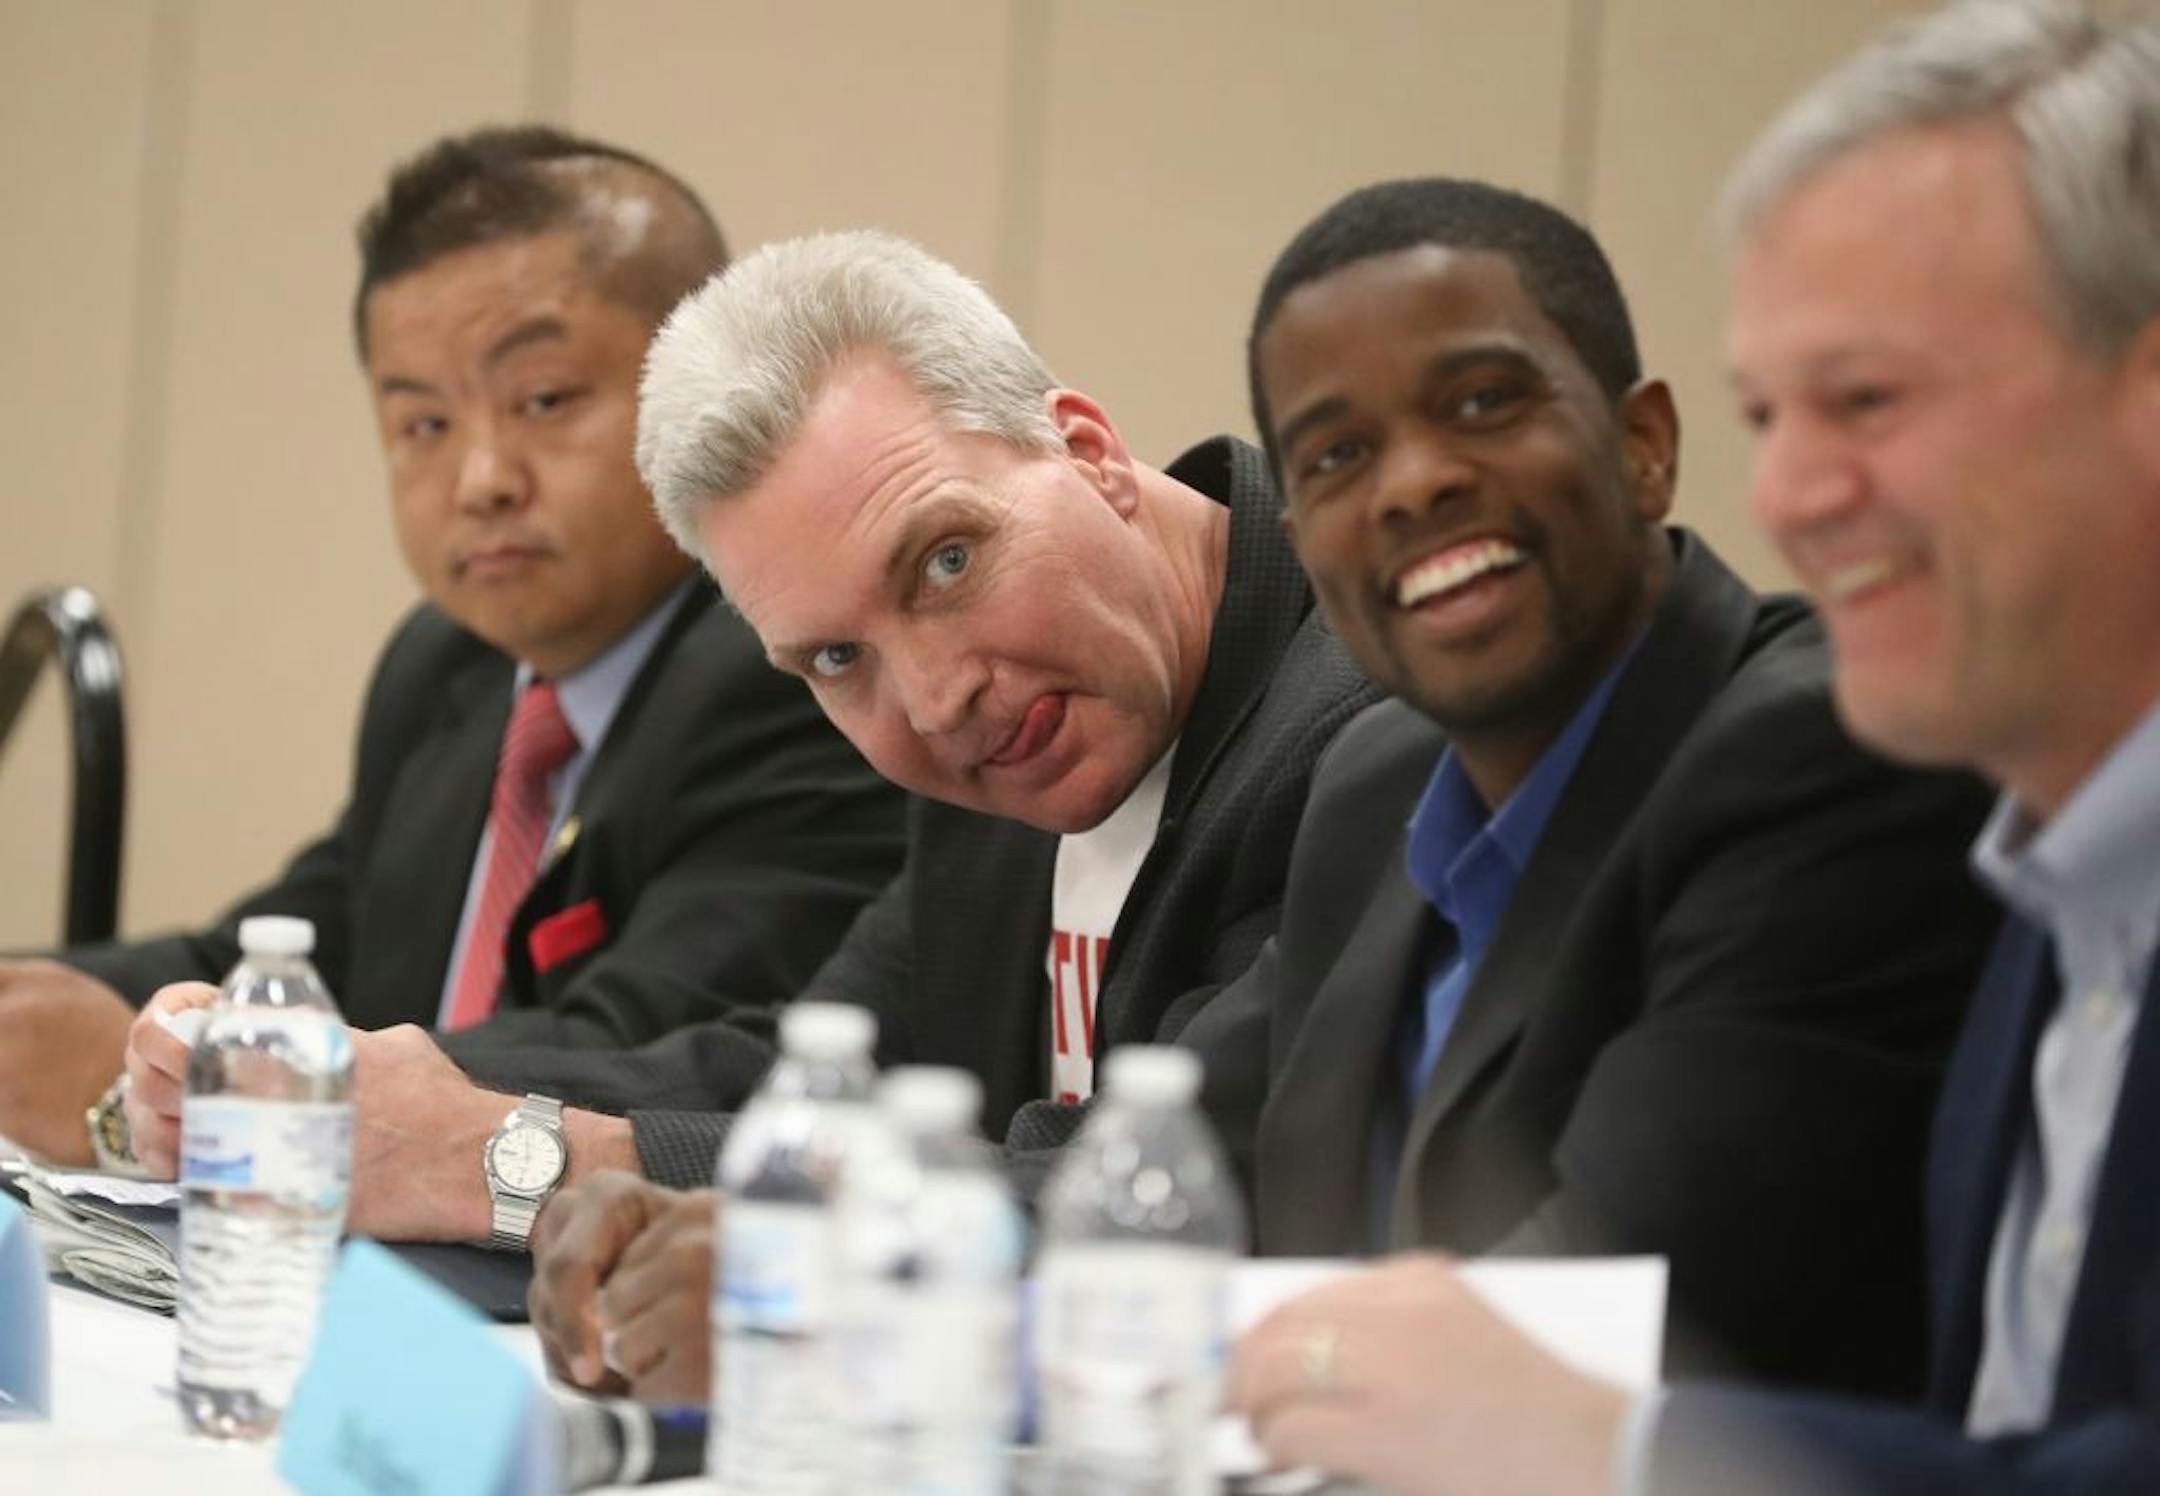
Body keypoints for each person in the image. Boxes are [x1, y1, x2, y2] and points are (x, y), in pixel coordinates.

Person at [1229, 1, 2160, 1491]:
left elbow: (1616, 1311)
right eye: (1772, 415)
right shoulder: (2063, 878)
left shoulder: (1842, 756)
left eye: (1869, 398)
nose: (1791, 492)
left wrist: (1613, 1443)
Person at [126, 233, 1377, 1331]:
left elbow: (1159, 1197)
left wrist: (505, 1160)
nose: (933, 699)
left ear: (1089, 451)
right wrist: (367, 1099)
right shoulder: (1015, 726)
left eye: (946, 561)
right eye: (836, 658)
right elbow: (793, 1081)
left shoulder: (1375, 729)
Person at [1199, 176, 1999, 1400]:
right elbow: (1172, 1152)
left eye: (1482, 401)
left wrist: (1232, 1365)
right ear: (1302, 539)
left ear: (1644, 445)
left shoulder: (1825, 750)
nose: (1412, 483)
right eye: (1338, 455)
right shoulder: (1373, 777)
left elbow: (1612, 1307)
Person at [0, 127, 905, 1200]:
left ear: (702, 396)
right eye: (423, 421)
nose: (480, 479)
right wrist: (76, 1021)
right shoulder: (451, 668)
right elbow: (282, 949)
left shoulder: (791, 670)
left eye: (544, 400)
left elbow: (651, 1058)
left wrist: (188, 1086)